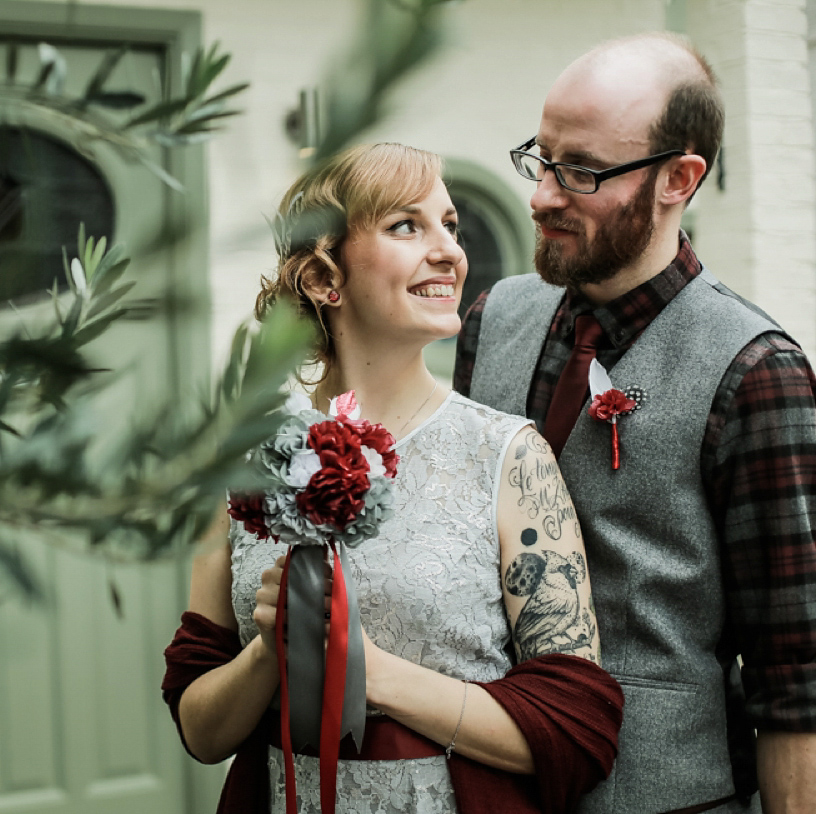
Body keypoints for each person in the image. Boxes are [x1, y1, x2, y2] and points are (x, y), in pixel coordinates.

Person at [162, 143, 624, 814]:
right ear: (326, 279)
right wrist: (268, 652)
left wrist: (376, 674)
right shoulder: (246, 463)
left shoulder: (506, 456)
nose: (449, 252)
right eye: (408, 226)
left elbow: (579, 730)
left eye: (451, 226)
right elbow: (201, 733)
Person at [454, 33, 816, 814]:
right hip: (481, 784)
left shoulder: (756, 371)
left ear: (679, 179)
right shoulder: (492, 319)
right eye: (541, 158)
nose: (543, 195)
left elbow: (795, 679)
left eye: (581, 171)